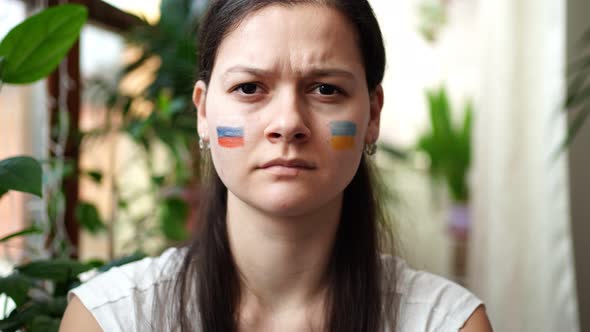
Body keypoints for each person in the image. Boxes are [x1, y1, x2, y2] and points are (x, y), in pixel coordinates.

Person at [60, 0, 493, 331]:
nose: (287, 124)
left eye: (325, 89)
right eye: (250, 88)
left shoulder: (447, 323)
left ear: (372, 116)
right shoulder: (109, 319)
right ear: (204, 114)